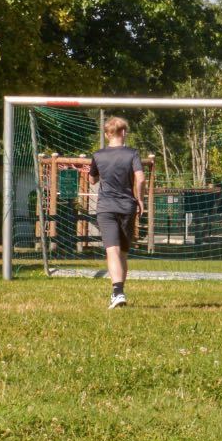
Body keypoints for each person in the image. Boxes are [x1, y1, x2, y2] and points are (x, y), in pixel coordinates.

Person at [90, 116, 147, 310]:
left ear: (107, 135)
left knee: (111, 250)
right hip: (127, 207)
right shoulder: (132, 153)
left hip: (106, 207)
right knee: (122, 252)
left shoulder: (98, 155)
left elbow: (92, 180)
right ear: (124, 133)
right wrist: (140, 199)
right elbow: (140, 179)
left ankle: (117, 292)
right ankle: (119, 292)